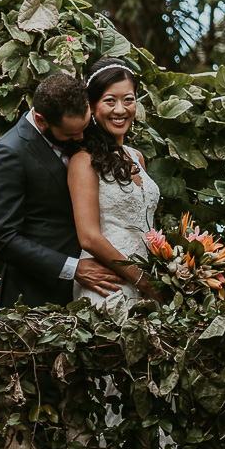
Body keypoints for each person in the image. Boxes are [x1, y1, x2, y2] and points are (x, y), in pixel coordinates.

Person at [0, 72, 122, 308]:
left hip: (92, 294)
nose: (80, 137)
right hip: (36, 300)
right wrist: (72, 268)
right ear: (41, 119)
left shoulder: (81, 134)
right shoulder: (7, 153)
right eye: (69, 133)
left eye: (84, 127)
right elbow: (3, 239)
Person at [68, 58, 162, 308]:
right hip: (108, 283)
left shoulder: (137, 157)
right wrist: (142, 279)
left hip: (150, 283)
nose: (120, 110)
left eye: (128, 99)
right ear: (92, 105)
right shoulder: (82, 160)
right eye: (110, 100)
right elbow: (88, 237)